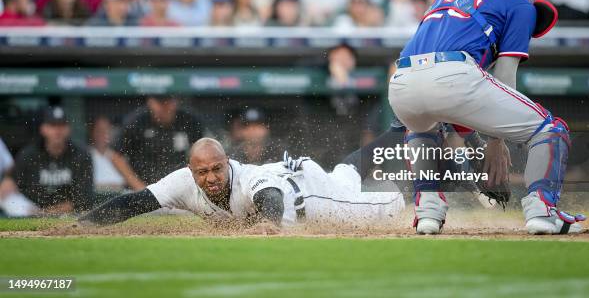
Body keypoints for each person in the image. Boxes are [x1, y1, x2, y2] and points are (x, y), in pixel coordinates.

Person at [388, 0, 585, 235]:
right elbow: (504, 74)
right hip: (453, 76)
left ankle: (427, 212)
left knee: (423, 129)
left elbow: (444, 93)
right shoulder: (519, 1)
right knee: (551, 129)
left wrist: (478, 142)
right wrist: (497, 142)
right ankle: (543, 212)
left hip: (401, 81)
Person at [79, 138, 405, 230]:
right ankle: (402, 131)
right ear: (191, 172)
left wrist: (268, 222)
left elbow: (270, 196)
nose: (211, 177)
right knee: (346, 171)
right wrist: (86, 223)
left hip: (312, 198)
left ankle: (423, 185)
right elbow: (136, 202)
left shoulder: (246, 177)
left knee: (390, 207)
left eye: (217, 168)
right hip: (294, 176)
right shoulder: (183, 182)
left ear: (227, 162)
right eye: (203, 172)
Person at [13, 106, 94, 214]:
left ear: (68, 129)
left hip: (68, 214)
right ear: (43, 129)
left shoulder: (81, 155)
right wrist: (8, 180)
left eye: (61, 125)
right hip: (30, 209)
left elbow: (84, 197)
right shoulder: (29, 154)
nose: (57, 131)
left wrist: (47, 212)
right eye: (53, 125)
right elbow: (14, 181)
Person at [113, 95, 205, 185]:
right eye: (159, 102)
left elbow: (202, 152)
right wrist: (139, 187)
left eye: (168, 101)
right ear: (150, 102)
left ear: (175, 102)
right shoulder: (137, 121)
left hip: (178, 186)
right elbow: (116, 155)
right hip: (144, 186)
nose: (164, 106)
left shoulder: (189, 120)